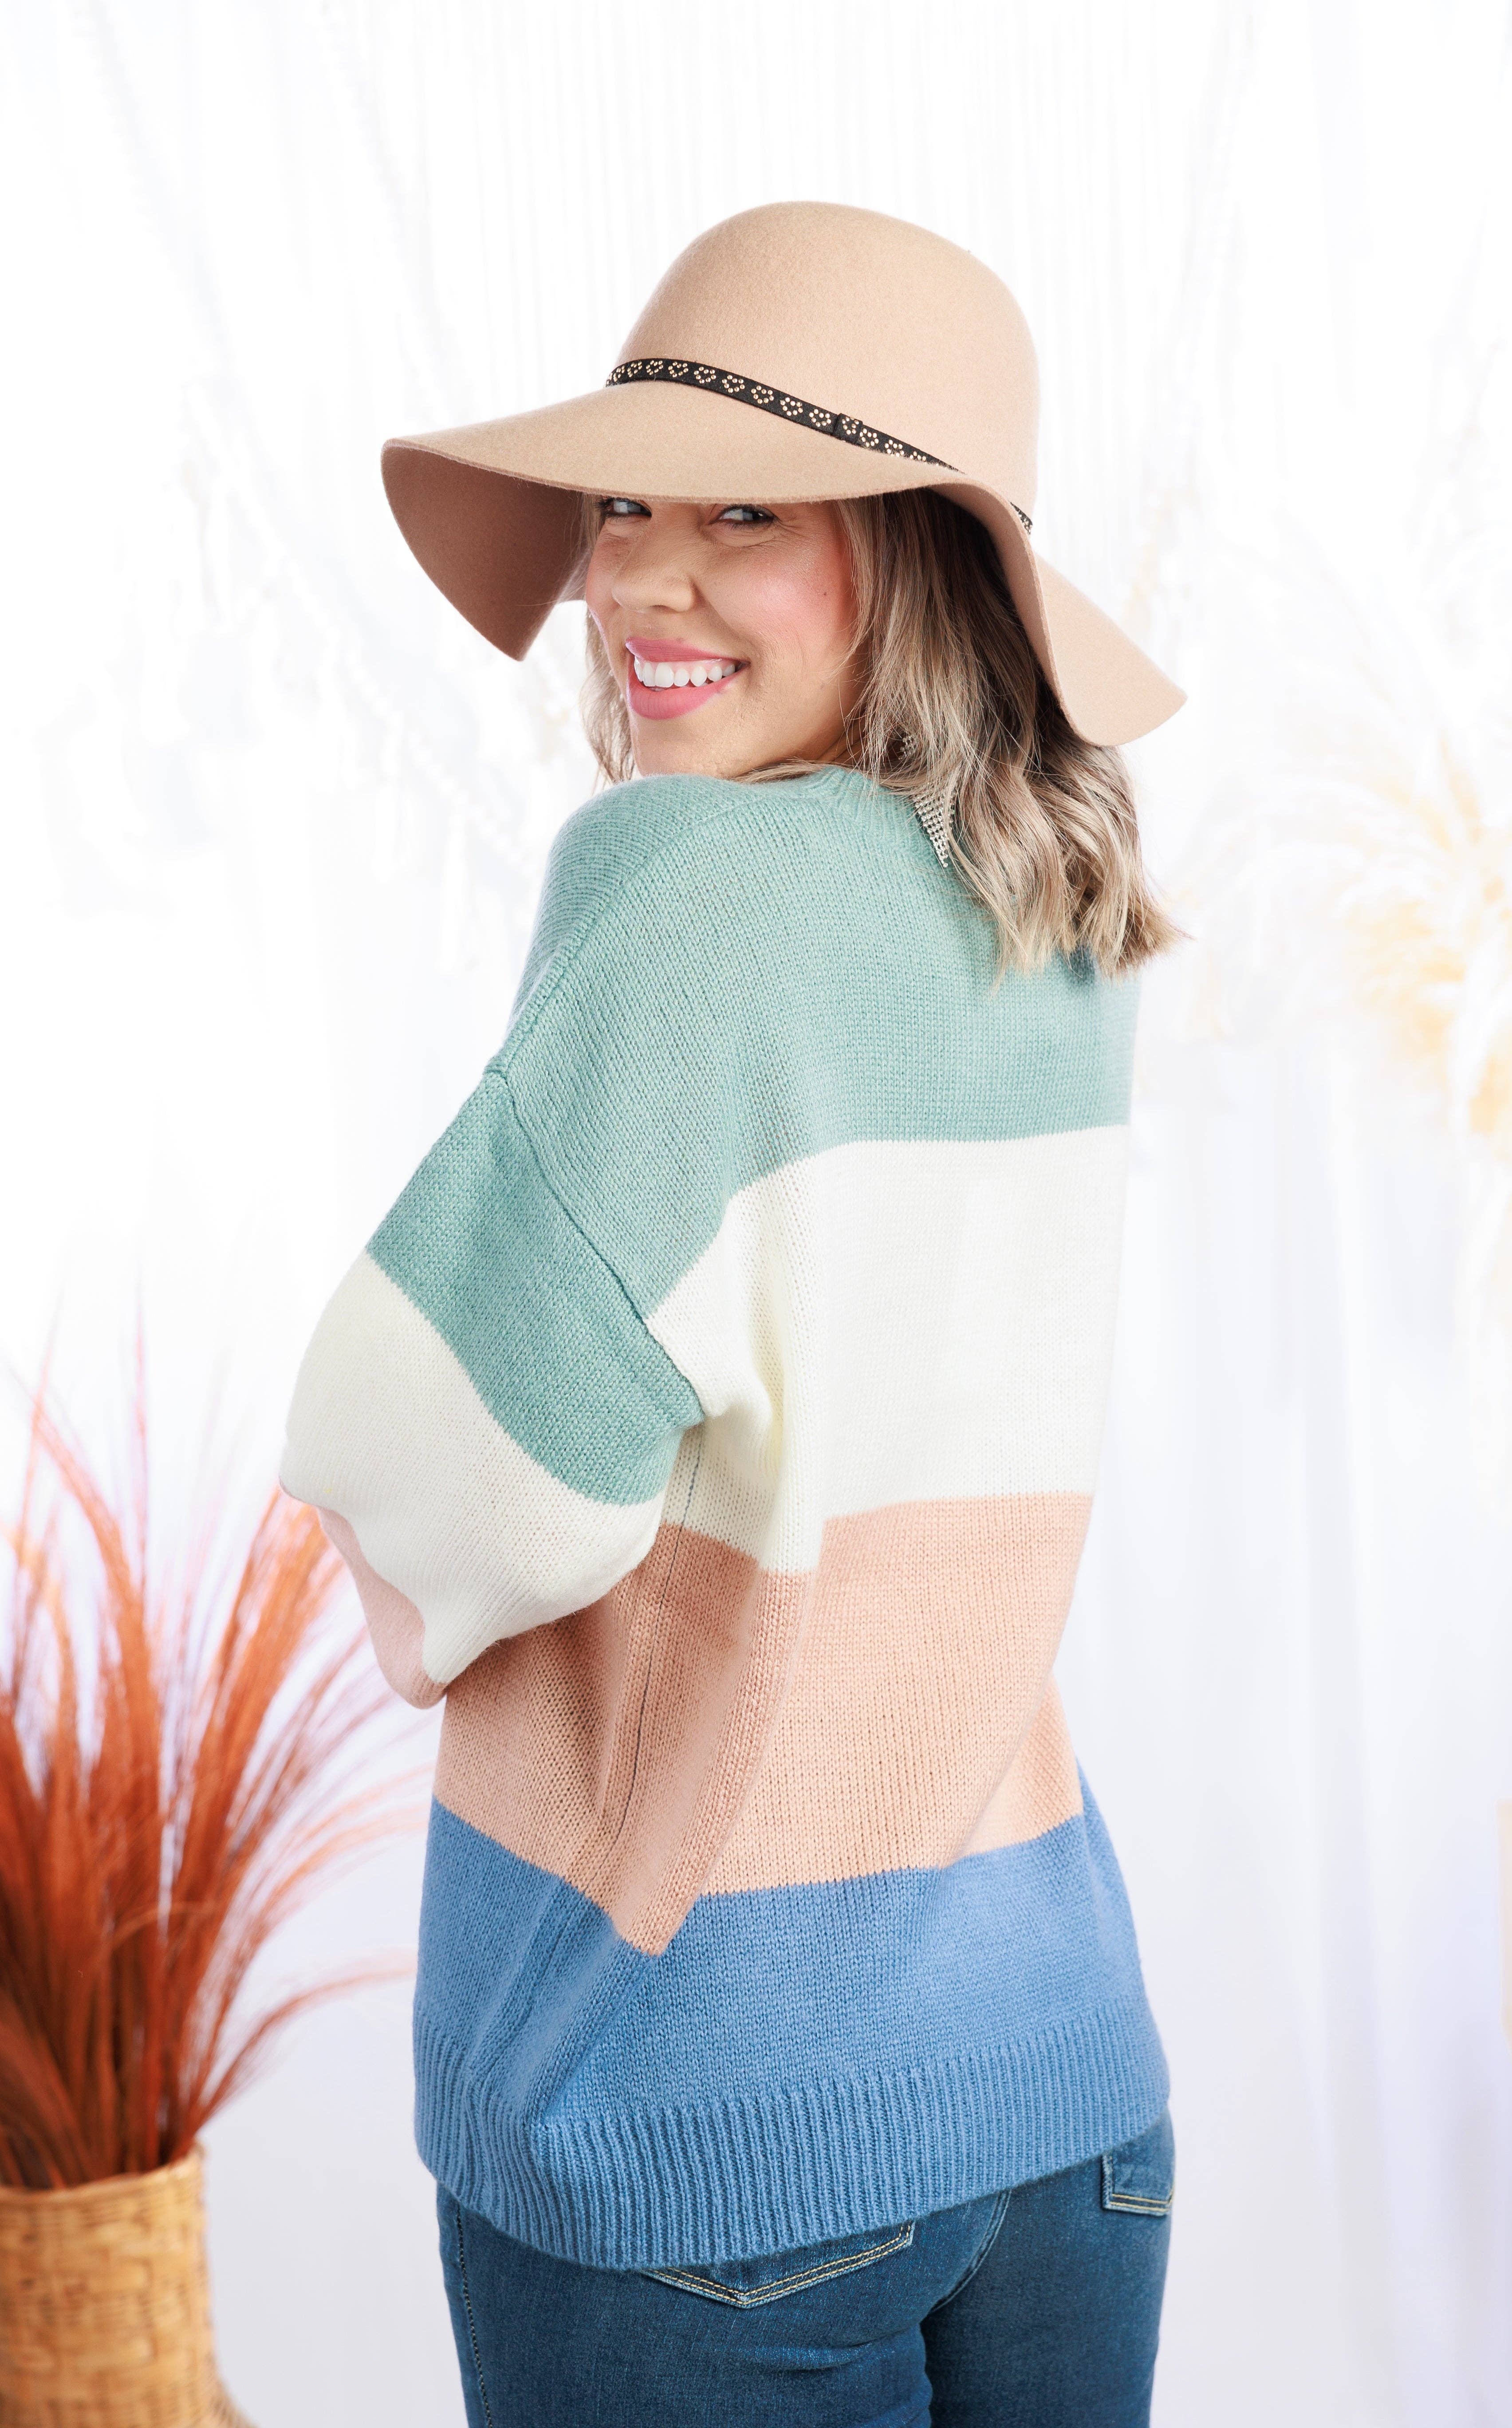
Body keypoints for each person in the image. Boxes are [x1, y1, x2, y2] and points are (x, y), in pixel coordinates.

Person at [280, 200, 1187, 2428]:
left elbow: (454, 1467)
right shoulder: (1064, 909)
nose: (641, 581)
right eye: (621, 508)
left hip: (708, 2122)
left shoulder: (684, 893)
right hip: (1061, 2076)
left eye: (747, 517)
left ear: (922, 563)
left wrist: (423, 1598)